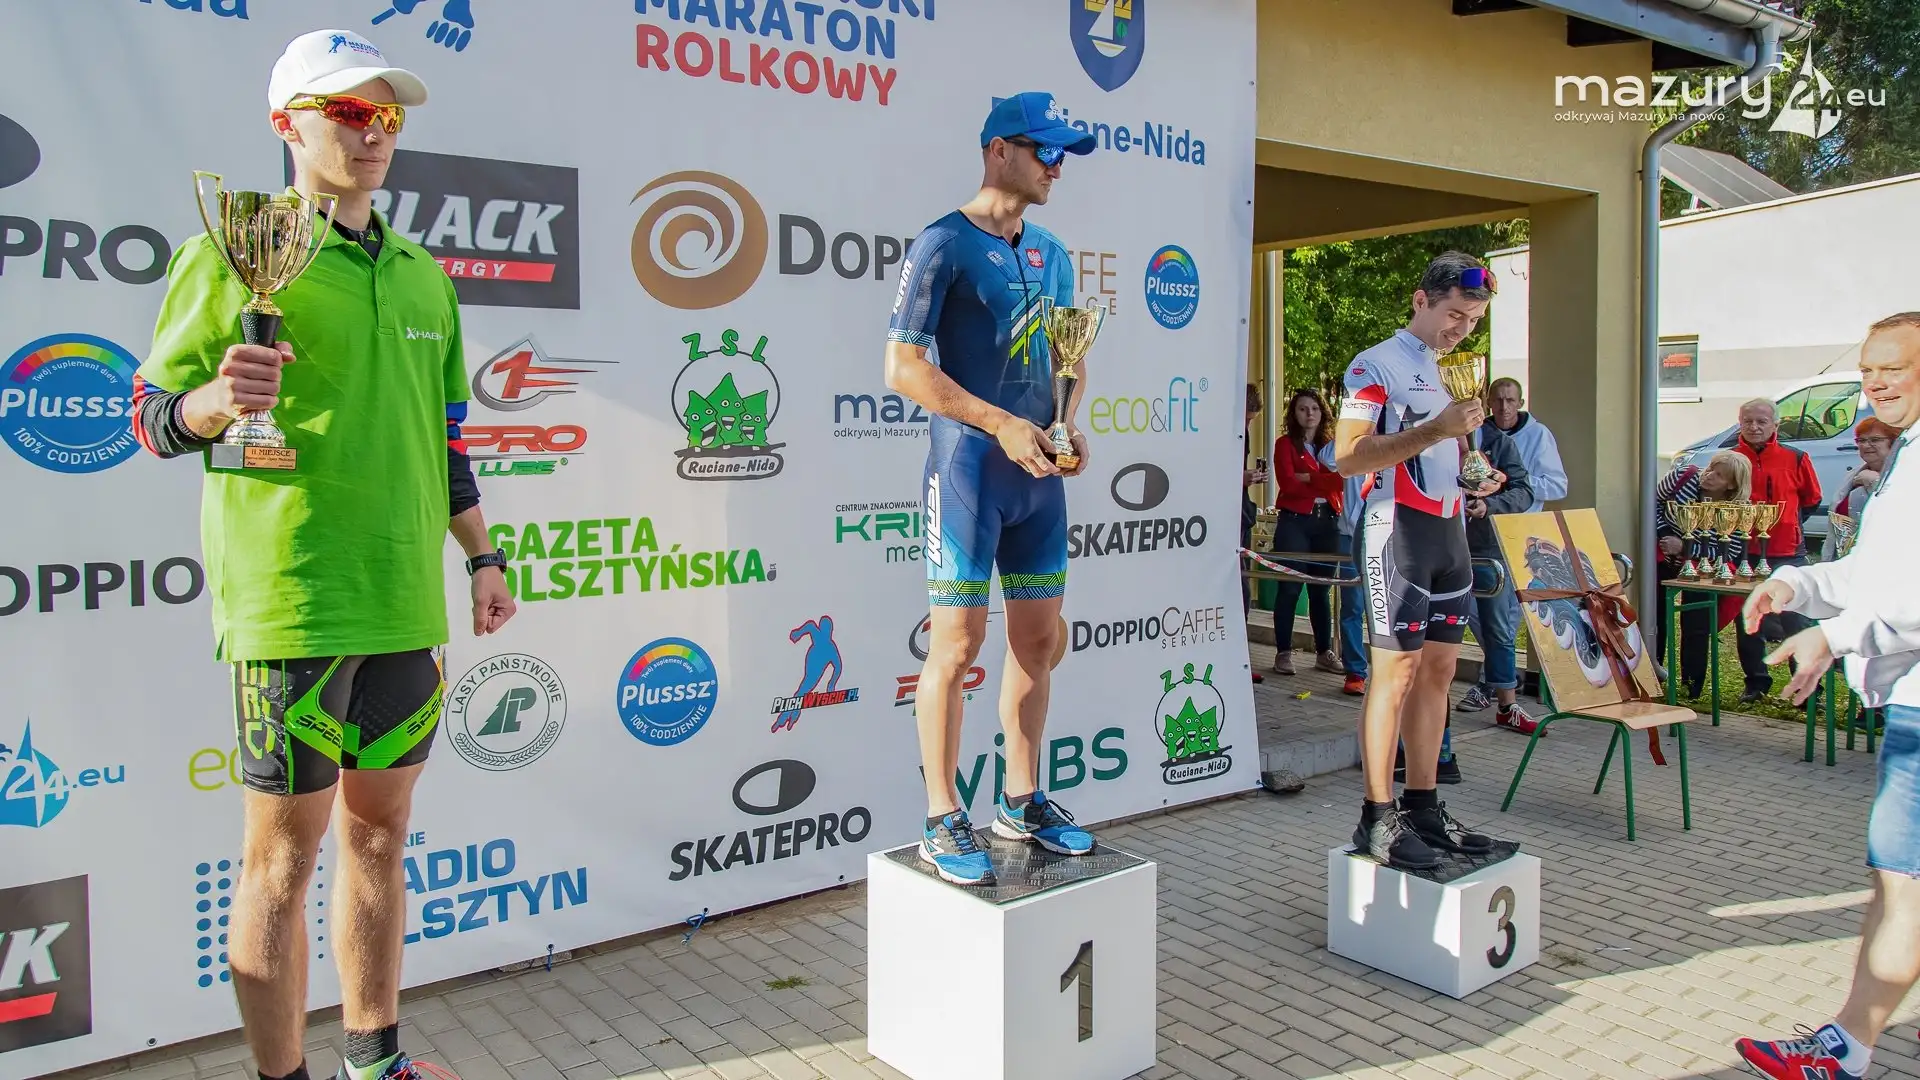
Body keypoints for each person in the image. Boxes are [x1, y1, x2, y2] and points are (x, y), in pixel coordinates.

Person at [129, 29, 514, 1080]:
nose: (371, 133)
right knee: (281, 862)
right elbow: (150, 416)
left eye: (385, 115)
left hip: (404, 600)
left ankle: (374, 1062)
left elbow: (444, 440)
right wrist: (218, 402)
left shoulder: (425, 277)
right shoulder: (231, 252)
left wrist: (481, 557)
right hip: (294, 600)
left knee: (380, 840)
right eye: (346, 111)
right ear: (286, 125)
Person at [884, 92, 1098, 886]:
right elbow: (902, 367)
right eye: (1046, 150)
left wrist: (1066, 425)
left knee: (1039, 642)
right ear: (998, 150)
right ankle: (943, 815)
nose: (1057, 167)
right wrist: (999, 423)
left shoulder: (1053, 253)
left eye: (1064, 154)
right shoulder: (943, 243)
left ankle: (1022, 798)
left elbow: (1070, 360)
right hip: (968, 472)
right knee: (957, 647)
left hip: (1038, 480)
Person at [1734, 312, 1920, 1080]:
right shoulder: (1907, 451)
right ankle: (1850, 1042)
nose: (1875, 383)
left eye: (1893, 367)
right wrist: (1796, 586)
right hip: (1908, 705)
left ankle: (1847, 1048)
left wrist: (1833, 638)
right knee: (1896, 885)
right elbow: (1875, 575)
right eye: (1868, 369)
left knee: (1901, 890)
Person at [1333, 251, 1505, 870]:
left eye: (1474, 320)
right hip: (1396, 533)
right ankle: (1376, 817)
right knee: (1395, 676)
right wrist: (1437, 430)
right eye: (1455, 314)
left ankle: (1424, 806)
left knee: (1439, 673)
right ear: (1421, 300)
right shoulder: (1374, 363)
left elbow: (1445, 456)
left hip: (1450, 533)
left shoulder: (1447, 368)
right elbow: (1347, 456)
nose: (1462, 329)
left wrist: (1476, 473)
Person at [1733, 398, 1825, 702]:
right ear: (1740, 424)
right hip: (1746, 553)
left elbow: (1811, 499)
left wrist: (1788, 525)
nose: (1754, 427)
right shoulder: (1732, 459)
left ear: (1775, 425)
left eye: (1761, 422)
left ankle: (1807, 687)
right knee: (1748, 620)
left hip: (1787, 552)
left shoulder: (1795, 458)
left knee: (1796, 619)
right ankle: (1755, 683)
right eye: (1748, 422)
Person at [1456, 419, 1538, 734]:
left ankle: (1507, 704)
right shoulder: (1430, 436)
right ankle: (1421, 702)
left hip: (1487, 549)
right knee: (1434, 627)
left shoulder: (1497, 442)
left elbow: (1524, 492)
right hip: (1440, 544)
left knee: (1498, 628)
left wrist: (1489, 505)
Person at [1652, 450, 1752, 698]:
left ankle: (1691, 686)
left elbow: (1729, 551)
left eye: (1718, 475)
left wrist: (1685, 548)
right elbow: (1652, 502)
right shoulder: (1682, 477)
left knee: (1696, 625)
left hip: (1702, 567)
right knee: (1655, 616)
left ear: (1732, 485)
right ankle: (1652, 676)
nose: (1708, 476)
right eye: (1710, 469)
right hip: (1662, 555)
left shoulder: (1739, 509)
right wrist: (1665, 534)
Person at [1267, 388, 1343, 676]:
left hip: (1327, 522)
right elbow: (1288, 483)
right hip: (1295, 521)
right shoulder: (1285, 444)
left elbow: (1342, 481)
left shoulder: (1332, 446)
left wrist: (1310, 477)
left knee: (1321, 589)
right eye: (1302, 408)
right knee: (1289, 588)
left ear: (1322, 412)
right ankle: (1283, 652)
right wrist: (1323, 481)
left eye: (1314, 408)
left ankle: (1324, 652)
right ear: (1294, 413)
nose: (1309, 413)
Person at [1319, 437, 1368, 696]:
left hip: (1389, 533)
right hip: (1350, 535)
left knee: (1390, 608)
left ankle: (1394, 671)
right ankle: (1355, 671)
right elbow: (1326, 458)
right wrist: (1351, 425)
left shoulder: (1395, 434)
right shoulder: (1354, 437)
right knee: (1352, 606)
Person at [1485, 377, 1568, 513]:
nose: (1504, 407)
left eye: (1510, 400)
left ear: (1520, 403)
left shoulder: (1538, 434)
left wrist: (1511, 480)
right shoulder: (1476, 432)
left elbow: (1557, 487)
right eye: (1498, 400)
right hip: (1483, 517)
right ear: (1488, 403)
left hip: (1523, 520)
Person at [1824, 416, 1900, 561]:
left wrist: (1873, 482)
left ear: (1893, 442)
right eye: (1861, 440)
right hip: (1846, 561)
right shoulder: (1853, 474)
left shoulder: (1903, 474)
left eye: (1875, 440)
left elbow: (1899, 512)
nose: (1866, 445)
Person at [1242, 383, 1271, 684]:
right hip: (1223, 517)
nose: (1248, 426)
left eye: (1252, 421)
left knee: (1243, 589)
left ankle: (1241, 656)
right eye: (1246, 419)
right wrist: (1241, 478)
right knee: (1237, 588)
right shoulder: (1217, 430)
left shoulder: (1244, 434)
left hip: (1241, 514)